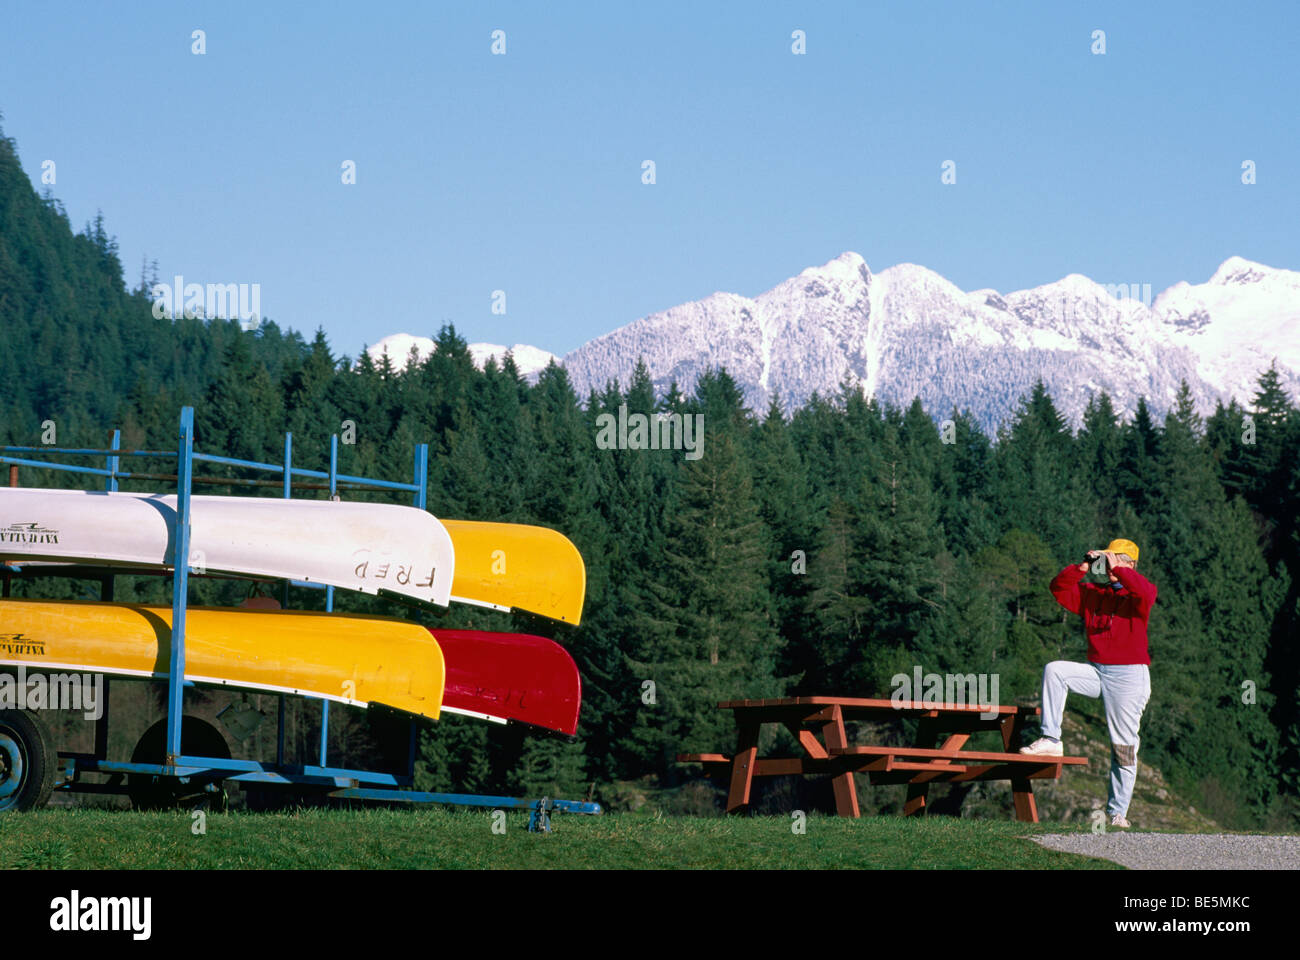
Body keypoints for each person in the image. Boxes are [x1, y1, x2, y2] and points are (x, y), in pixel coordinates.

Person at [1020, 538, 1157, 828]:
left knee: (1123, 746)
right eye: (1108, 558)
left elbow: (1144, 590)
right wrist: (1082, 566)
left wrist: (1118, 569)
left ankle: (1117, 812)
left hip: (1129, 677)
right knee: (1055, 670)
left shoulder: (1139, 596)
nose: (1110, 564)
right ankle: (1051, 739)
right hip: (1098, 671)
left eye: (1119, 559)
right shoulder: (1093, 594)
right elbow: (1058, 589)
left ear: (1131, 565)